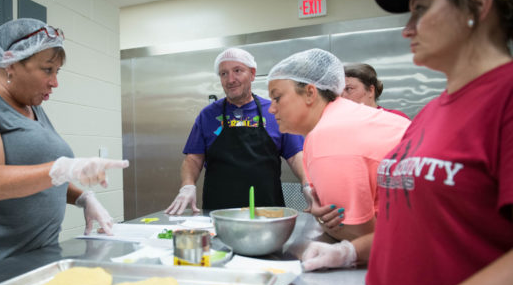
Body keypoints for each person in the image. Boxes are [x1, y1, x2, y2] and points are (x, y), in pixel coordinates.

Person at [303, 0, 513, 285]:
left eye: (421, 9)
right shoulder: (431, 114)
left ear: (479, 5)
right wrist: (350, 252)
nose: (406, 28)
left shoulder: (506, 99)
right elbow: (413, 226)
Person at [0, 18, 129, 281]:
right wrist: (65, 167)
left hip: (30, 258)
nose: (55, 82)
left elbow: (42, 175)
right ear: (11, 63)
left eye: (58, 72)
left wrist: (83, 197)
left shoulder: (34, 109)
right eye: (47, 70)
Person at [266, 49, 411, 241]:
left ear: (310, 93)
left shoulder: (328, 136)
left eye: (277, 98)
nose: (271, 108)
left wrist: (323, 221)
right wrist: (313, 197)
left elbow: (357, 235)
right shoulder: (343, 117)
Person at [166, 47, 309, 214]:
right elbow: (193, 159)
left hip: (267, 212)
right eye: (224, 74)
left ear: (253, 74)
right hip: (218, 213)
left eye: (237, 71)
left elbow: (295, 155)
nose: (230, 79)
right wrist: (188, 185)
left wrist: (307, 184)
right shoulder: (208, 115)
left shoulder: (273, 111)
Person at [342, 62, 411, 119]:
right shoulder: (340, 121)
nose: (342, 96)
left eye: (349, 89)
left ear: (371, 90)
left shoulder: (395, 118)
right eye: (339, 90)